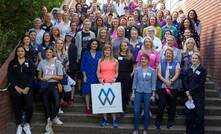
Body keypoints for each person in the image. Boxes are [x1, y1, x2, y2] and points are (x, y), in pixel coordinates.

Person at [8, 46, 35, 134]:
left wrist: (27, 87)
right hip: (16, 89)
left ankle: (27, 124)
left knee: (29, 106)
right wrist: (16, 87)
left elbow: (32, 76)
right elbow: (10, 76)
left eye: (22, 51)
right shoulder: (12, 63)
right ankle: (19, 124)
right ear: (16, 53)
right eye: (18, 51)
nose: (20, 53)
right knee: (17, 107)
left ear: (24, 52)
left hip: (28, 88)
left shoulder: (30, 62)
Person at [37, 48, 64, 134]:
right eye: (47, 52)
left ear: (53, 53)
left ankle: (52, 118)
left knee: (57, 103)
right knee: (46, 104)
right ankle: (49, 125)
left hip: (54, 85)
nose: (48, 53)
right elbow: (39, 76)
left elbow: (61, 77)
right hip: (45, 85)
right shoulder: (42, 62)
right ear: (45, 53)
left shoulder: (57, 63)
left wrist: (51, 77)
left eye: (50, 52)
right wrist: (42, 78)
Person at [156, 48, 181, 129]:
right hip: (162, 87)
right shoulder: (161, 63)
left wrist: (170, 81)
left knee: (172, 105)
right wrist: (165, 81)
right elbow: (158, 74)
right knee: (161, 104)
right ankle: (158, 121)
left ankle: (170, 121)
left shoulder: (176, 63)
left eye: (170, 53)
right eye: (167, 53)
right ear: (164, 54)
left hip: (173, 87)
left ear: (172, 55)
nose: (168, 54)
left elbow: (177, 73)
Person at [131, 54, 156, 134]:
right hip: (138, 91)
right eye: (142, 59)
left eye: (145, 59)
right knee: (136, 111)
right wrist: (133, 93)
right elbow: (134, 82)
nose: (143, 60)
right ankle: (135, 129)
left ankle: (145, 129)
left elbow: (153, 83)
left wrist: (153, 94)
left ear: (148, 61)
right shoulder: (137, 70)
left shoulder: (152, 70)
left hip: (148, 92)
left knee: (146, 111)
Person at [97, 45, 119, 128]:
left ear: (111, 51)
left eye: (108, 50)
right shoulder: (100, 60)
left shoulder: (115, 61)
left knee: (112, 102)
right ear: (103, 51)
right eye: (105, 50)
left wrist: (114, 78)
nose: (107, 52)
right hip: (103, 83)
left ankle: (114, 120)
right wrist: (99, 79)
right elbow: (98, 72)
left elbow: (117, 72)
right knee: (104, 103)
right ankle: (105, 119)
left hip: (112, 84)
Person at [184, 53, 207, 134]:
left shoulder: (202, 69)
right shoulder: (188, 70)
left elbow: (200, 84)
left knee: (199, 115)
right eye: (193, 58)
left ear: (199, 59)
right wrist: (187, 92)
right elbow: (185, 82)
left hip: (198, 96)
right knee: (189, 116)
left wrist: (190, 92)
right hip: (188, 96)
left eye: (196, 58)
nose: (194, 59)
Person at [81, 38, 102, 115]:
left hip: (97, 75)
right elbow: (83, 65)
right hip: (88, 74)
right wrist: (84, 76)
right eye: (93, 44)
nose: (94, 45)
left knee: (96, 91)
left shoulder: (100, 53)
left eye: (96, 44)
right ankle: (88, 108)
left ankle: (95, 107)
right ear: (90, 44)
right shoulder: (86, 53)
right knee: (87, 92)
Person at [116, 40, 135, 113]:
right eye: (122, 46)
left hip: (127, 75)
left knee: (125, 92)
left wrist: (132, 74)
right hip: (119, 75)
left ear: (127, 47)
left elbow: (134, 66)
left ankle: (123, 108)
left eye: (125, 46)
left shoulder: (130, 55)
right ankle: (117, 106)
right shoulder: (117, 55)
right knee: (118, 91)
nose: (123, 47)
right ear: (120, 47)